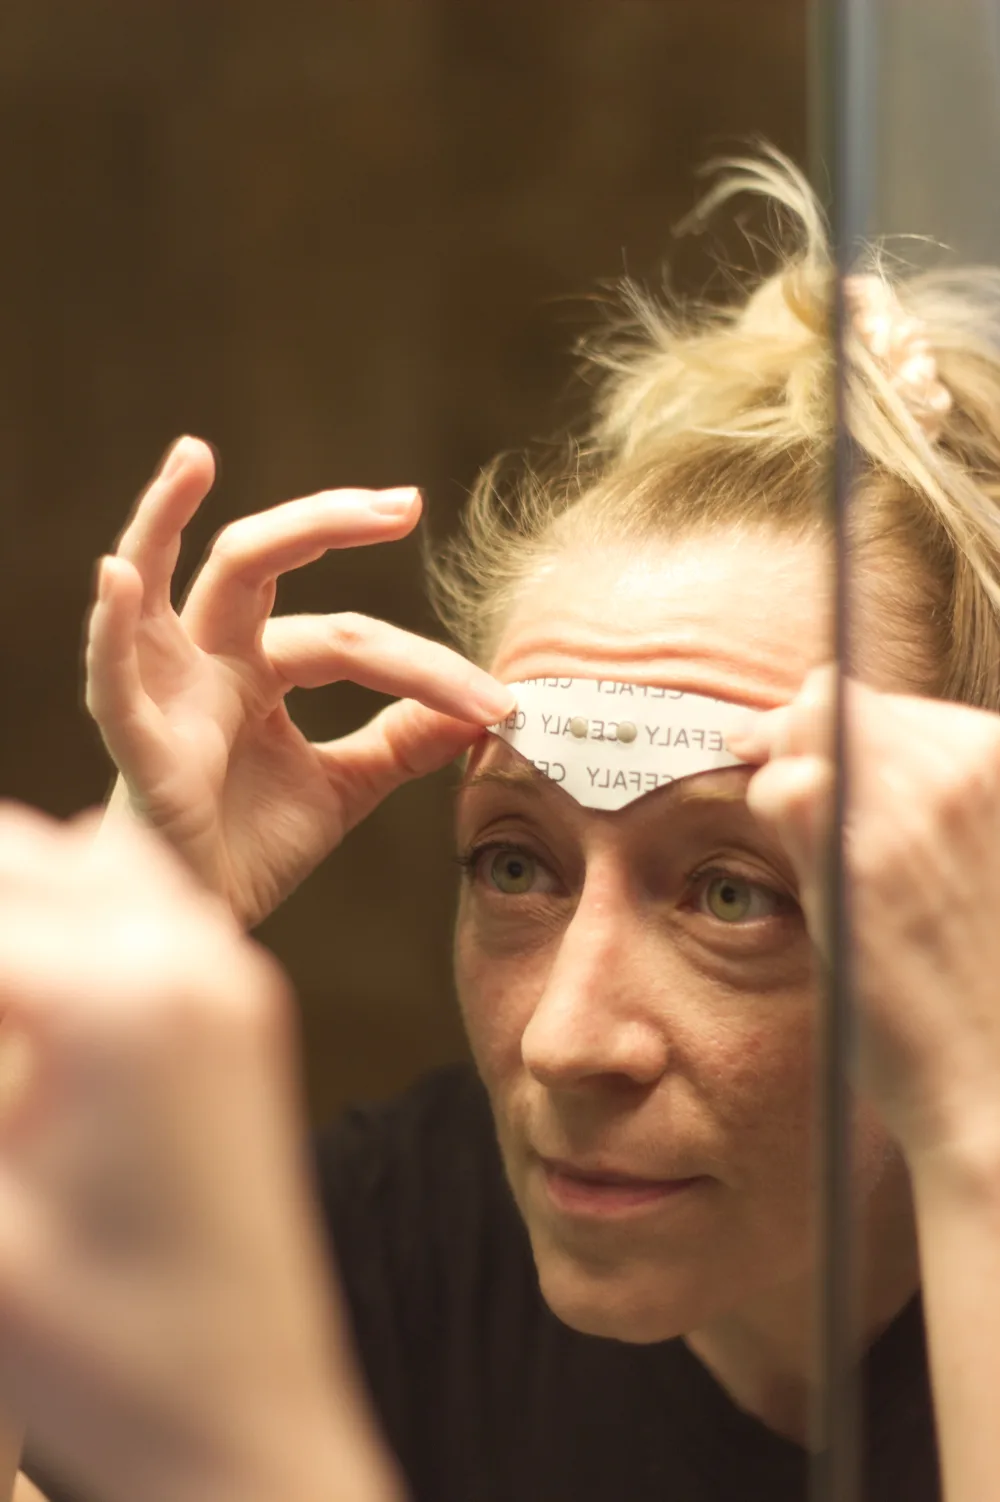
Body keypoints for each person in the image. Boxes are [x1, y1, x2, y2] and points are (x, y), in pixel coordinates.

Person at [12, 150, 1000, 1502]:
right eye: (516, 863)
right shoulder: (395, 1243)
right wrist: (111, 942)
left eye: (731, 892)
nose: (565, 1037)